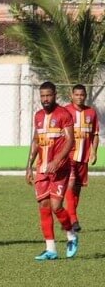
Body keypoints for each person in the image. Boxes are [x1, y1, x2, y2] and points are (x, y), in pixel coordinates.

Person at [28, 81, 78, 260]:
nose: (45, 99)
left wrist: (57, 160)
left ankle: (71, 234)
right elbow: (35, 140)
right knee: (44, 205)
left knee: (56, 206)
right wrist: (28, 165)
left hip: (60, 168)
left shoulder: (63, 114)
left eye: (48, 95)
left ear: (55, 94)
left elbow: (70, 140)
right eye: (42, 96)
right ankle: (51, 249)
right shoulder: (38, 116)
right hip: (42, 168)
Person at [65, 83, 99, 233]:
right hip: (69, 156)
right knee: (70, 185)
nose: (79, 97)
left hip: (83, 157)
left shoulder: (91, 112)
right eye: (76, 95)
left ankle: (69, 219)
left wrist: (94, 152)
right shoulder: (65, 111)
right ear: (72, 96)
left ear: (85, 96)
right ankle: (73, 219)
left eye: (82, 95)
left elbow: (95, 135)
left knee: (77, 190)